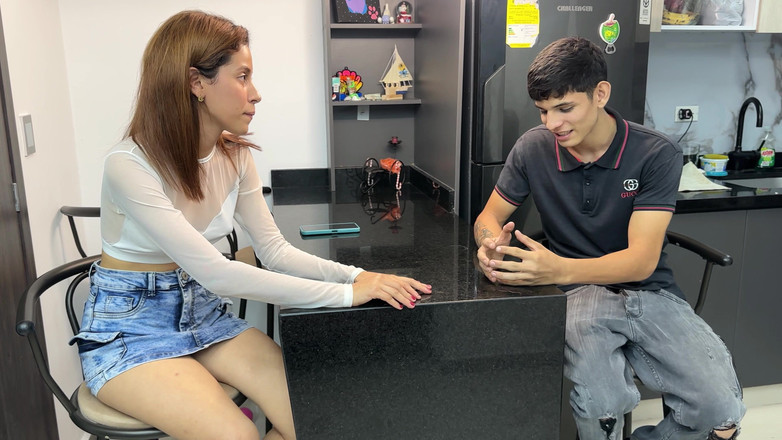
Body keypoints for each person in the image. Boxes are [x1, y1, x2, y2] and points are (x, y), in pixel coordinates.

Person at [69, 10, 431, 440]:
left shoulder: (235, 155)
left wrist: (356, 275)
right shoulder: (129, 165)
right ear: (196, 82)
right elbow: (217, 273)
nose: (255, 94)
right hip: (133, 327)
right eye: (242, 77)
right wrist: (348, 295)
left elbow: (274, 251)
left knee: (322, 421)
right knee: (240, 435)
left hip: (203, 312)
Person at [473, 37, 744, 440]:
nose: (552, 124)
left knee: (721, 411)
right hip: (578, 294)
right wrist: (489, 243)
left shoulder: (656, 153)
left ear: (600, 94)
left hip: (651, 291)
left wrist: (556, 268)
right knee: (602, 405)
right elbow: (489, 217)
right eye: (543, 110)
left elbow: (641, 262)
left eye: (565, 108)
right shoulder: (532, 148)